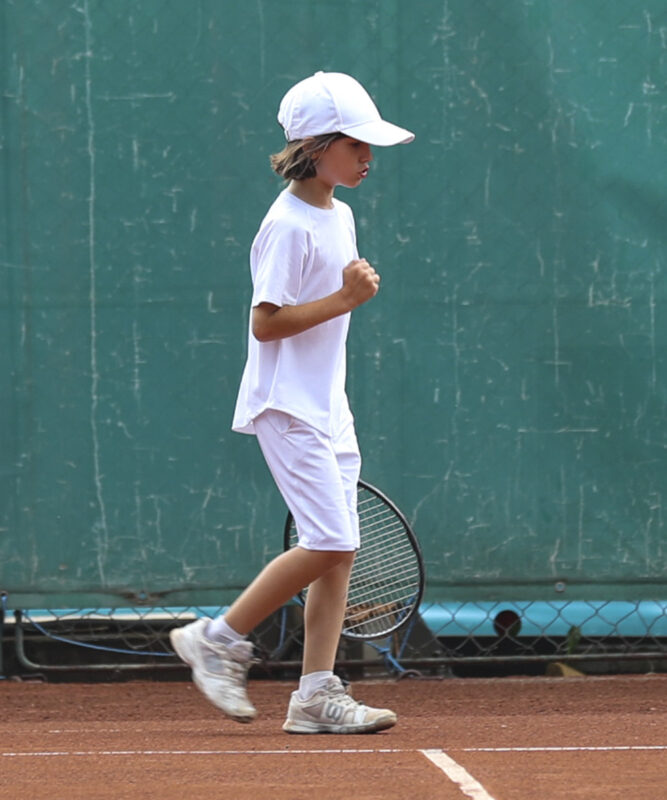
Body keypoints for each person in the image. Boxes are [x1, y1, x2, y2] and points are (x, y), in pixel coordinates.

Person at [171, 71, 414, 734]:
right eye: (355, 144)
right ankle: (216, 639)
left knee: (339, 549)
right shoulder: (285, 225)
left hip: (329, 405)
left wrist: (343, 300)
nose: (367, 156)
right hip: (288, 406)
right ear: (316, 147)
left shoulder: (342, 214)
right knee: (331, 540)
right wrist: (345, 298)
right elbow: (266, 323)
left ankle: (314, 695)